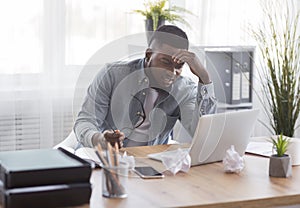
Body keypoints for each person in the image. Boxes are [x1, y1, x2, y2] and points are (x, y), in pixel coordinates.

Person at [74, 25, 217, 149]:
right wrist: (100, 139)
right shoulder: (113, 74)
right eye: (165, 62)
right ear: (148, 55)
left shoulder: (184, 89)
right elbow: (85, 121)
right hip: (105, 158)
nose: (172, 73)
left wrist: (205, 78)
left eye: (179, 65)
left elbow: (200, 134)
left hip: (150, 166)